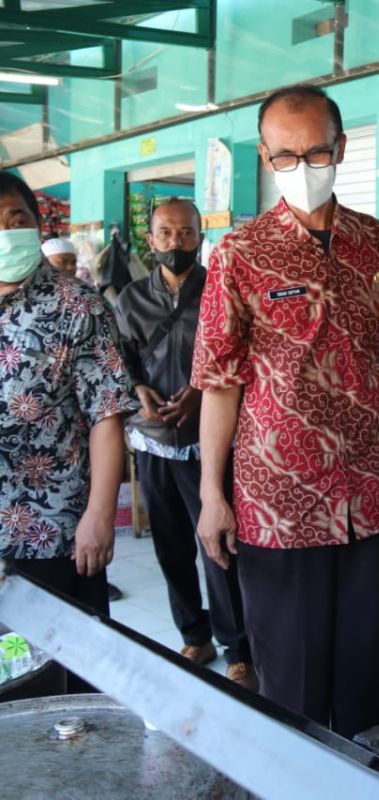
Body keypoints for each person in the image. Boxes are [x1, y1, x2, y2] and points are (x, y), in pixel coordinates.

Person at [192, 85, 379, 737]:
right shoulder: (239, 254)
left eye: (316, 151)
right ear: (266, 159)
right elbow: (219, 382)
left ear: (340, 148)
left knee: (362, 675)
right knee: (290, 683)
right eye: (286, 155)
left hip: (371, 490)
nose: (303, 166)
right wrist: (213, 493)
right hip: (279, 500)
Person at [0, 171, 140, 693]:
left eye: (16, 219)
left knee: (65, 676)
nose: (6, 231)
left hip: (53, 531)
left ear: (37, 226)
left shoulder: (77, 304)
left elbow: (107, 414)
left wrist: (100, 517)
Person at [113, 198, 255, 690]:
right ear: (150, 240)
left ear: (200, 237)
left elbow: (239, 353)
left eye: (187, 233)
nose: (177, 242)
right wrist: (138, 390)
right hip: (152, 441)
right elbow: (122, 357)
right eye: (167, 234)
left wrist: (202, 392)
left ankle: (238, 649)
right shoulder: (130, 299)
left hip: (207, 443)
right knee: (171, 546)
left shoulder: (220, 290)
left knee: (218, 545)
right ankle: (193, 635)